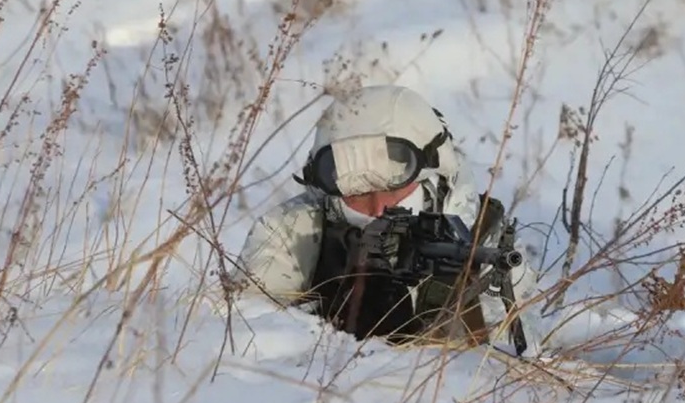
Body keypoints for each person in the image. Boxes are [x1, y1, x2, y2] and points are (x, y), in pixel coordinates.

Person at [231, 84, 541, 355]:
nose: (378, 209)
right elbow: (242, 341)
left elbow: (506, 366)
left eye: (393, 190)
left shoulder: (480, 238)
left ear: (434, 176)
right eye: (358, 195)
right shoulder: (295, 232)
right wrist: (325, 329)